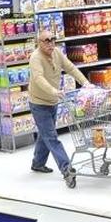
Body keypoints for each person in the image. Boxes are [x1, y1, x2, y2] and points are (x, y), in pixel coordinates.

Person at [28, 30, 92, 186]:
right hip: (39, 102)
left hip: (53, 101)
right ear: (39, 42)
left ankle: (37, 163)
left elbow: (70, 67)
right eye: (46, 41)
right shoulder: (35, 58)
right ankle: (67, 169)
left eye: (52, 40)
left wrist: (85, 83)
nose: (50, 43)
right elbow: (38, 79)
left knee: (45, 134)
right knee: (52, 137)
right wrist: (54, 91)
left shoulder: (57, 52)